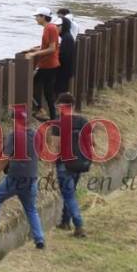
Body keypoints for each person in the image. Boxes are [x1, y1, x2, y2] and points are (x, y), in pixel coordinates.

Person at [0, 108, 45, 249]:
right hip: (32, 178)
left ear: (14, 120)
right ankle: (39, 239)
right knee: (31, 209)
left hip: (16, 177)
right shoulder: (36, 134)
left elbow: (5, 157)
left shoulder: (14, 135)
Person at [49, 93, 91, 238]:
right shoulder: (83, 121)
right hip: (80, 163)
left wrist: (51, 163)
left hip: (64, 164)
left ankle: (79, 226)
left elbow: (56, 146)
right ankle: (65, 221)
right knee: (70, 192)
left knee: (69, 195)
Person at [28, 7, 60, 121]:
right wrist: (35, 49)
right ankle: (48, 114)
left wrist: (34, 55)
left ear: (43, 17)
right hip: (47, 64)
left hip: (48, 65)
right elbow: (47, 46)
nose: (36, 19)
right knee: (46, 91)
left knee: (32, 86)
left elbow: (52, 48)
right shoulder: (48, 28)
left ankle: (47, 114)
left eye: (37, 16)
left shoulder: (50, 28)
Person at [55, 17, 76, 96]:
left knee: (62, 93)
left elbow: (64, 56)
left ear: (63, 26)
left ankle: (65, 108)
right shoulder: (67, 37)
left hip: (63, 71)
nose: (55, 27)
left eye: (58, 26)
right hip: (65, 71)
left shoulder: (66, 38)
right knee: (63, 92)